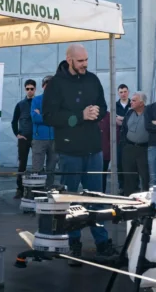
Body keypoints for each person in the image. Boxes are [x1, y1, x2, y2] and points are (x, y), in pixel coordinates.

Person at [42, 45, 116, 258]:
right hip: (69, 151)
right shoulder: (55, 85)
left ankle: (102, 242)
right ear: (69, 59)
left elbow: (103, 106)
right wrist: (79, 116)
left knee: (97, 198)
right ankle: (73, 242)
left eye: (86, 60)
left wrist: (97, 112)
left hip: (93, 149)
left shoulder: (92, 79)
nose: (85, 64)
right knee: (71, 198)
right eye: (80, 60)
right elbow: (49, 116)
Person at [120, 91, 151, 195]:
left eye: (134, 100)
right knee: (129, 176)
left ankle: (146, 199)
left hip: (144, 149)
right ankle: (129, 198)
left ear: (141, 103)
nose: (131, 102)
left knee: (145, 176)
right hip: (129, 148)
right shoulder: (129, 113)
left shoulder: (149, 113)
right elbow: (124, 129)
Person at [10, 78, 36, 198]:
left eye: (32, 89)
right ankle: (19, 189)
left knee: (38, 165)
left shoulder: (38, 103)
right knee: (22, 165)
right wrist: (17, 134)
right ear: (25, 89)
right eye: (27, 89)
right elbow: (14, 121)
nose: (30, 91)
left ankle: (36, 189)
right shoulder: (20, 105)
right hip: (24, 138)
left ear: (35, 89)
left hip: (36, 138)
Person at [30, 75, 56, 187]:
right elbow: (34, 117)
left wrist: (42, 115)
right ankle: (37, 191)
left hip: (55, 139)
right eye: (47, 84)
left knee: (51, 168)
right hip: (39, 139)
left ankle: (49, 190)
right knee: (37, 168)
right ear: (43, 86)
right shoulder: (36, 100)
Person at [115, 84, 131, 182]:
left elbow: (133, 121)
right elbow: (114, 121)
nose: (123, 94)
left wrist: (121, 118)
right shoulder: (115, 106)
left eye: (125, 92)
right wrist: (127, 119)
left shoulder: (133, 104)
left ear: (128, 92)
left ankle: (133, 186)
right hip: (118, 139)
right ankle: (121, 186)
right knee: (119, 164)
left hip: (131, 139)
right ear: (118, 93)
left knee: (131, 164)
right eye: (121, 92)